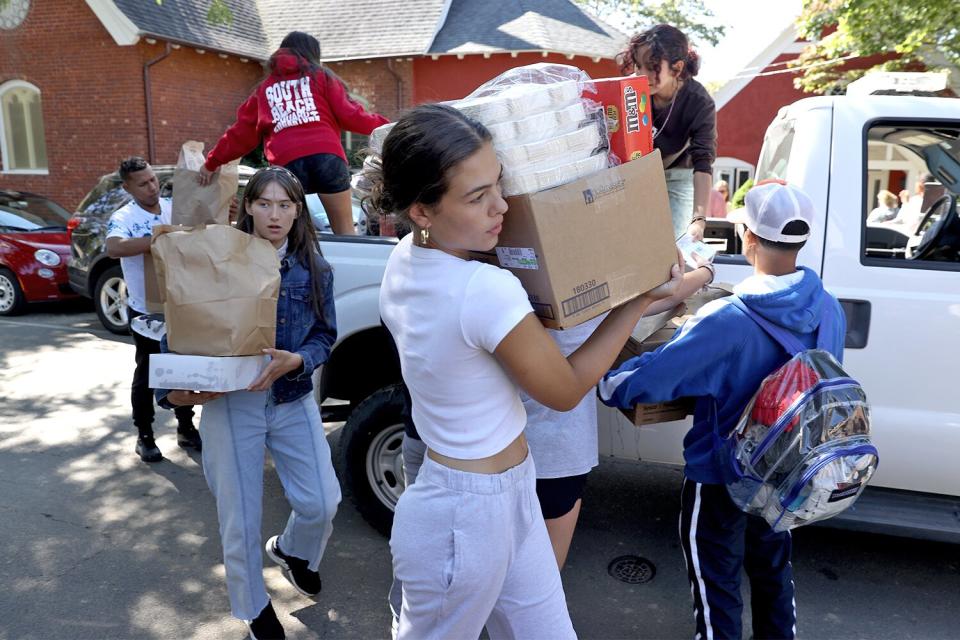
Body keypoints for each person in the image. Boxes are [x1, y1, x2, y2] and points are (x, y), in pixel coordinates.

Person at [369, 103, 709, 639]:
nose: (500, 207)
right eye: (477, 197)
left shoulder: (405, 261)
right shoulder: (483, 288)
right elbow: (565, 390)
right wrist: (635, 297)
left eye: (498, 185)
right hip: (466, 516)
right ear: (422, 211)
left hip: (500, 493)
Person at [598, 180, 846, 640]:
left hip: (721, 474)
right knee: (773, 571)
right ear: (802, 240)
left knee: (717, 583)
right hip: (786, 473)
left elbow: (643, 381)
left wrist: (607, 381)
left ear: (747, 237)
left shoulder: (728, 319)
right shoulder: (829, 309)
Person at [156, 167, 341, 640]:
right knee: (238, 518)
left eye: (285, 205)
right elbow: (183, 321)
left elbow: (325, 335)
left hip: (291, 397)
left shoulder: (315, 268)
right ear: (248, 208)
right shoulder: (219, 259)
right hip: (233, 404)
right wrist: (171, 390)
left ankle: (294, 551)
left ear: (298, 210)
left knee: (323, 501)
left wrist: (298, 359)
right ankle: (254, 609)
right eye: (265, 204)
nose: (274, 215)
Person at [199, 31, 389, 236]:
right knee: (344, 231)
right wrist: (390, 128)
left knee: (289, 235)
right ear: (313, 55)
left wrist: (212, 162)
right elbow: (351, 115)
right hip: (328, 157)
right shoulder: (321, 77)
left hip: (287, 162)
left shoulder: (265, 88)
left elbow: (241, 133)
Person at [105, 156, 199, 463]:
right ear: (128, 187)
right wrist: (156, 239)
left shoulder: (172, 207)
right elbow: (114, 247)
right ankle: (144, 435)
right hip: (145, 310)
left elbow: (201, 228)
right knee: (147, 372)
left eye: (153, 180)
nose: (151, 187)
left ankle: (185, 427)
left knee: (182, 369)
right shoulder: (125, 216)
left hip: (180, 303)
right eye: (143, 183)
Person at [620, 24, 717, 241]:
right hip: (638, 173)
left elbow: (703, 162)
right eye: (637, 65)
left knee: (669, 244)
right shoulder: (630, 92)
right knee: (629, 240)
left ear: (677, 68)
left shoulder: (699, 102)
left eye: (651, 66)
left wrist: (698, 220)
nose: (640, 74)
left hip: (677, 175)